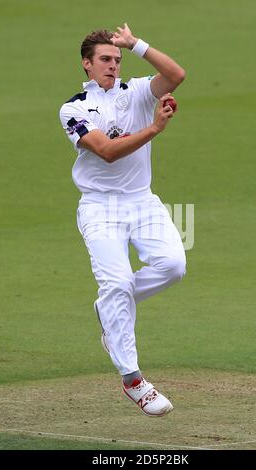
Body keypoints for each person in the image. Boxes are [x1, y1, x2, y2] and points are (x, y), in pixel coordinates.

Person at [59, 23, 186, 417]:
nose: (113, 65)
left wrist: (136, 44)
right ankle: (134, 381)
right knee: (115, 282)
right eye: (105, 60)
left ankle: (110, 308)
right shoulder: (74, 108)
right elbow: (107, 152)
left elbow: (176, 75)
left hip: (142, 201)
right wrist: (155, 128)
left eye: (117, 59)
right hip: (99, 207)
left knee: (173, 266)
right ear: (87, 64)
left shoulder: (137, 91)